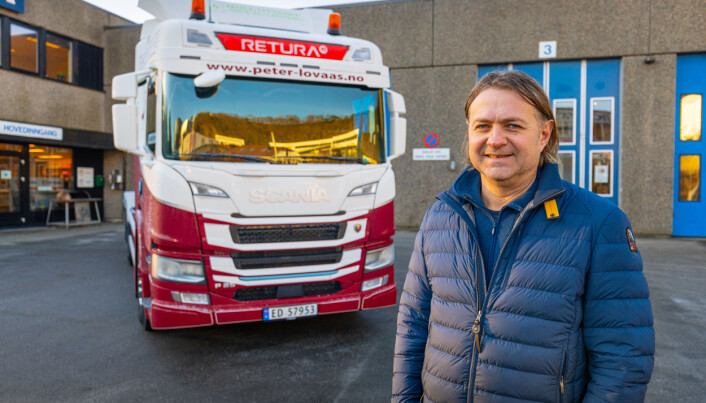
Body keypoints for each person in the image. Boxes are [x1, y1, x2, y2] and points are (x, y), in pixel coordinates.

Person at [392, 71, 655, 402]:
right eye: (483, 126)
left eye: (512, 126)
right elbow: (412, 328)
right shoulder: (439, 218)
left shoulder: (599, 224)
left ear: (544, 134)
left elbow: (624, 362)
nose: (496, 139)